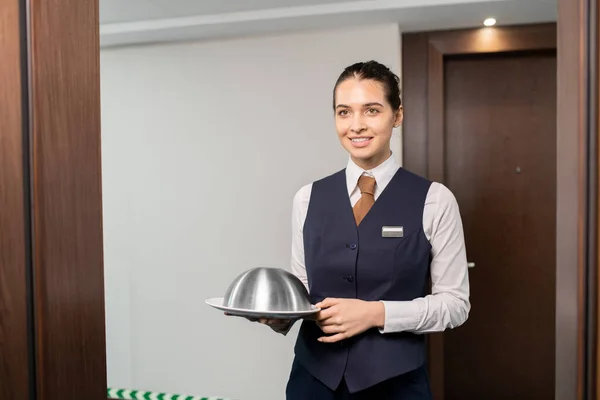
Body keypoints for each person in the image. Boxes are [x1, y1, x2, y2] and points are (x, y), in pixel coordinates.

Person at [254, 60, 470, 399]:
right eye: (344, 112)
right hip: (313, 382)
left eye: (371, 110)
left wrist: (375, 313)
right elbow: (305, 293)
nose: (356, 126)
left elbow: (455, 305)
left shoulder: (435, 200)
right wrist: (280, 316)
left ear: (397, 115)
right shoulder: (307, 198)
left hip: (396, 386)